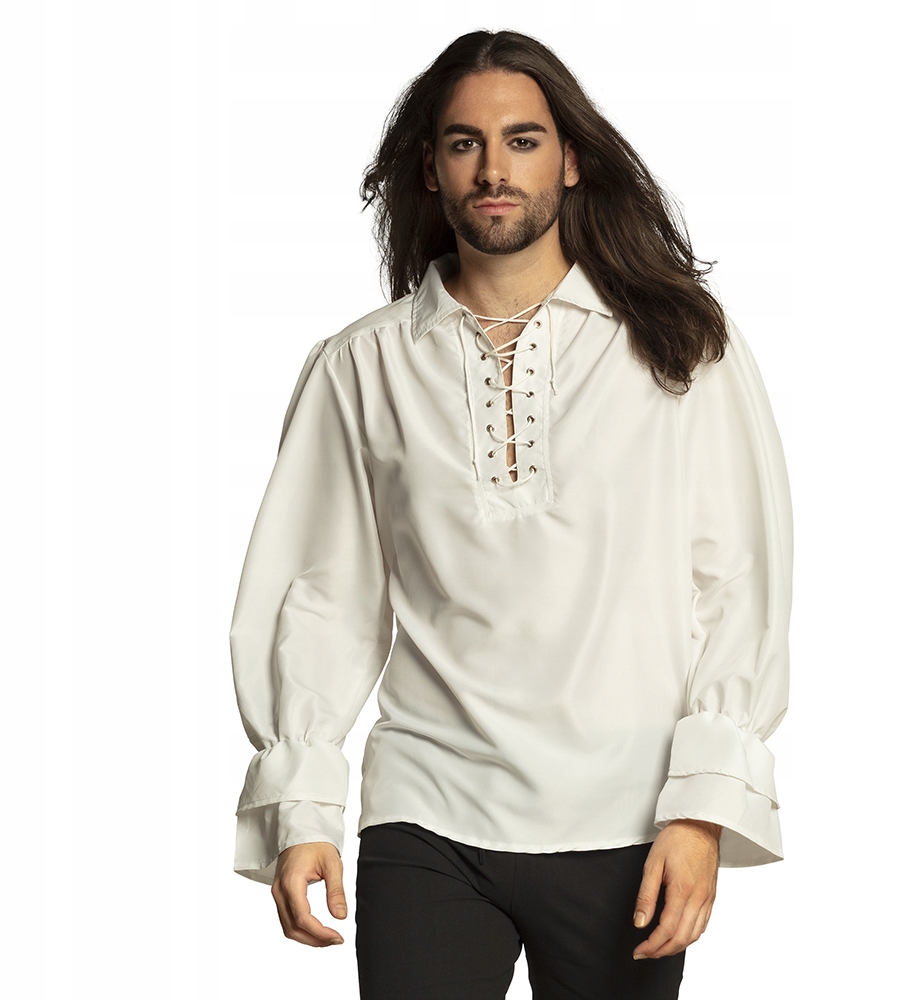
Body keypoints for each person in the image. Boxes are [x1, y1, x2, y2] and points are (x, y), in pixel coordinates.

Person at [229, 28, 792, 1000]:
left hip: (626, 818)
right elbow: (323, 597)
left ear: (570, 159)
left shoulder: (679, 345)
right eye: (465, 143)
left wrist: (702, 807)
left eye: (523, 140)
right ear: (430, 168)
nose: (493, 169)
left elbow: (736, 580)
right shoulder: (360, 365)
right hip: (427, 810)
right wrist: (303, 801)